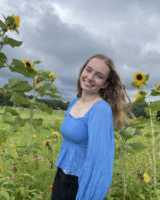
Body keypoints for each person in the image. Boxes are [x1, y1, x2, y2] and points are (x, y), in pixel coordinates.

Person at [51, 54, 129, 200]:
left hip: (78, 184)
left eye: (99, 76)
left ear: (105, 84)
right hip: (60, 176)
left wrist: (88, 195)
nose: (90, 77)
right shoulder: (74, 102)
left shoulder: (100, 109)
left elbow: (99, 160)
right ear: (82, 71)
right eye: (88, 70)